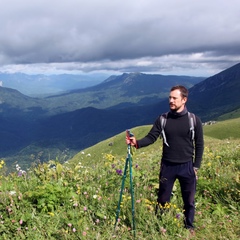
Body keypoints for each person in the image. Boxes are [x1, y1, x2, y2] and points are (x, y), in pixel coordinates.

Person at [126, 85, 204, 231]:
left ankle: (189, 227)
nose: (171, 100)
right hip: (167, 166)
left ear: (184, 100)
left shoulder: (194, 120)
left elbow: (199, 144)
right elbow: (151, 137)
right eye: (170, 97)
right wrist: (136, 143)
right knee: (162, 198)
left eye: (175, 98)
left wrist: (196, 167)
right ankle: (160, 226)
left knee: (189, 200)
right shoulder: (162, 119)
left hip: (187, 166)